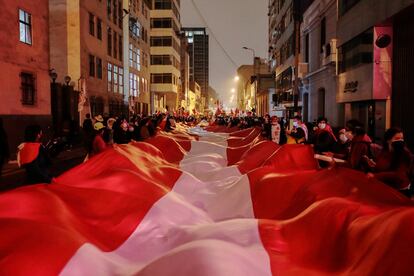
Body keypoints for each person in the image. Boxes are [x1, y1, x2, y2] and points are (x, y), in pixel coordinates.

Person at [368, 127, 413, 197]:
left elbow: (399, 174)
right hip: (386, 189)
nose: (400, 141)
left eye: (402, 138)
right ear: (388, 140)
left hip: (400, 191)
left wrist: (376, 176)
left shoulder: (405, 153)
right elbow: (384, 166)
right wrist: (374, 166)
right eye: (397, 138)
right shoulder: (384, 151)